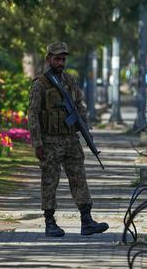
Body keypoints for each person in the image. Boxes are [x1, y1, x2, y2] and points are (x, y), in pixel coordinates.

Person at [26, 42, 110, 237]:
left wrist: (84, 128)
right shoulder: (40, 84)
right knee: (50, 181)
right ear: (48, 59)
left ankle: (86, 220)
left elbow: (79, 105)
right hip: (50, 141)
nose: (60, 62)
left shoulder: (70, 81)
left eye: (63, 59)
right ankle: (49, 221)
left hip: (70, 140)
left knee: (79, 178)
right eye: (57, 58)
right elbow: (33, 114)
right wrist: (37, 143)